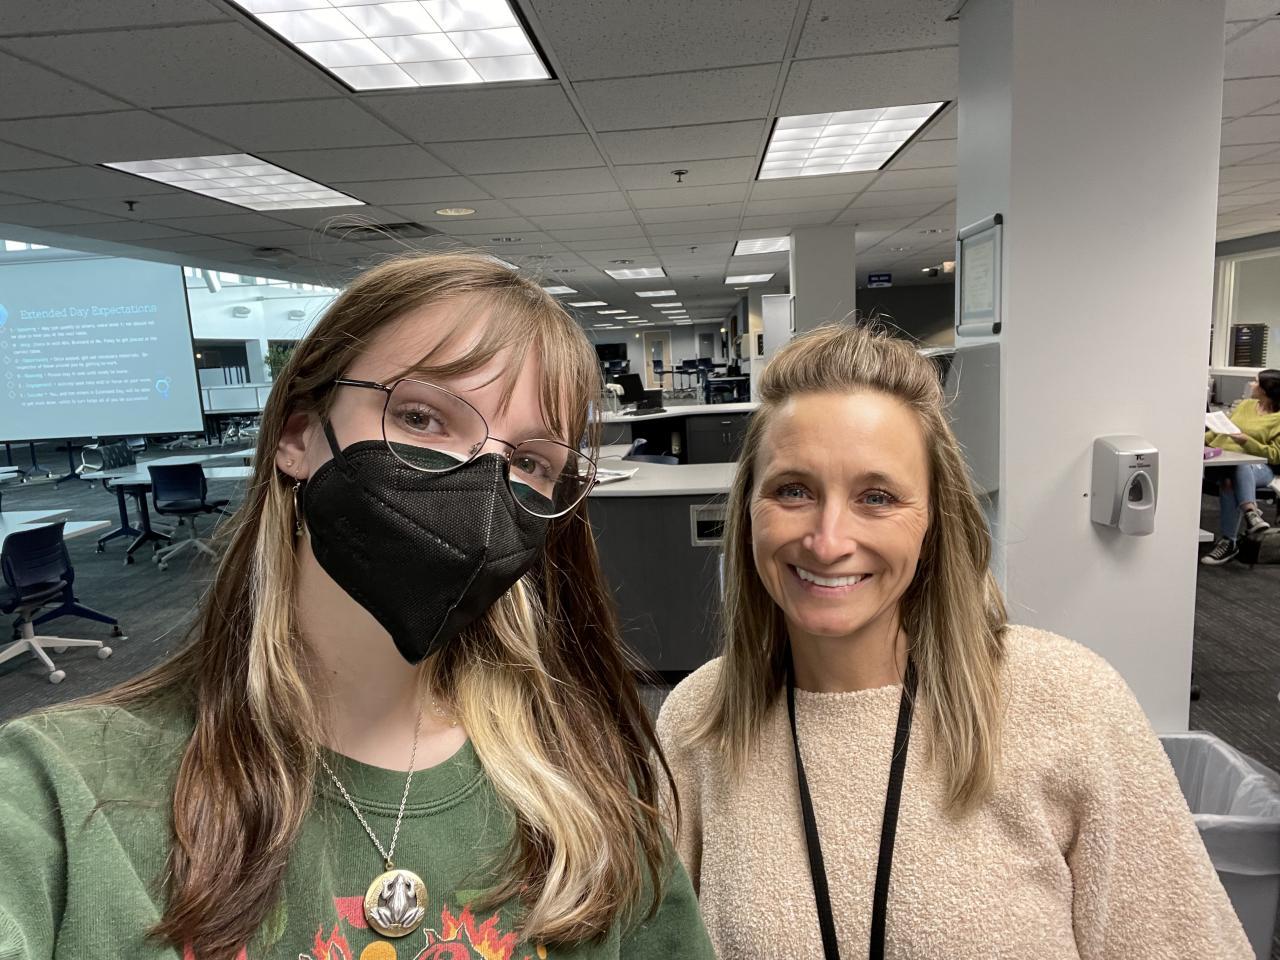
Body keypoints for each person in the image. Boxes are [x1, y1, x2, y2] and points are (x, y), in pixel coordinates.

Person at [0, 253, 713, 960]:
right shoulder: (58, 794)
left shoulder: (584, 779)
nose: (480, 489)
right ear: (298, 435)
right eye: (423, 417)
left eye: (529, 462)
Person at [657, 323, 1251, 958]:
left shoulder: (1070, 702)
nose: (828, 542)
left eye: (876, 497)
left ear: (934, 520)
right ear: (749, 509)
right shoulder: (699, 722)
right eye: (793, 491)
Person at [1202, 369, 1280, 565]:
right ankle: (1251, 515)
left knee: (1238, 467)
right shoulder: (1245, 405)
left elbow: (1275, 455)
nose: (1251, 385)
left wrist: (1247, 442)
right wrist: (1198, 440)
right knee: (1232, 474)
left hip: (1260, 469)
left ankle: (1229, 542)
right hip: (1222, 463)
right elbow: (1219, 432)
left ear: (1266, 390)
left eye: (1256, 382)